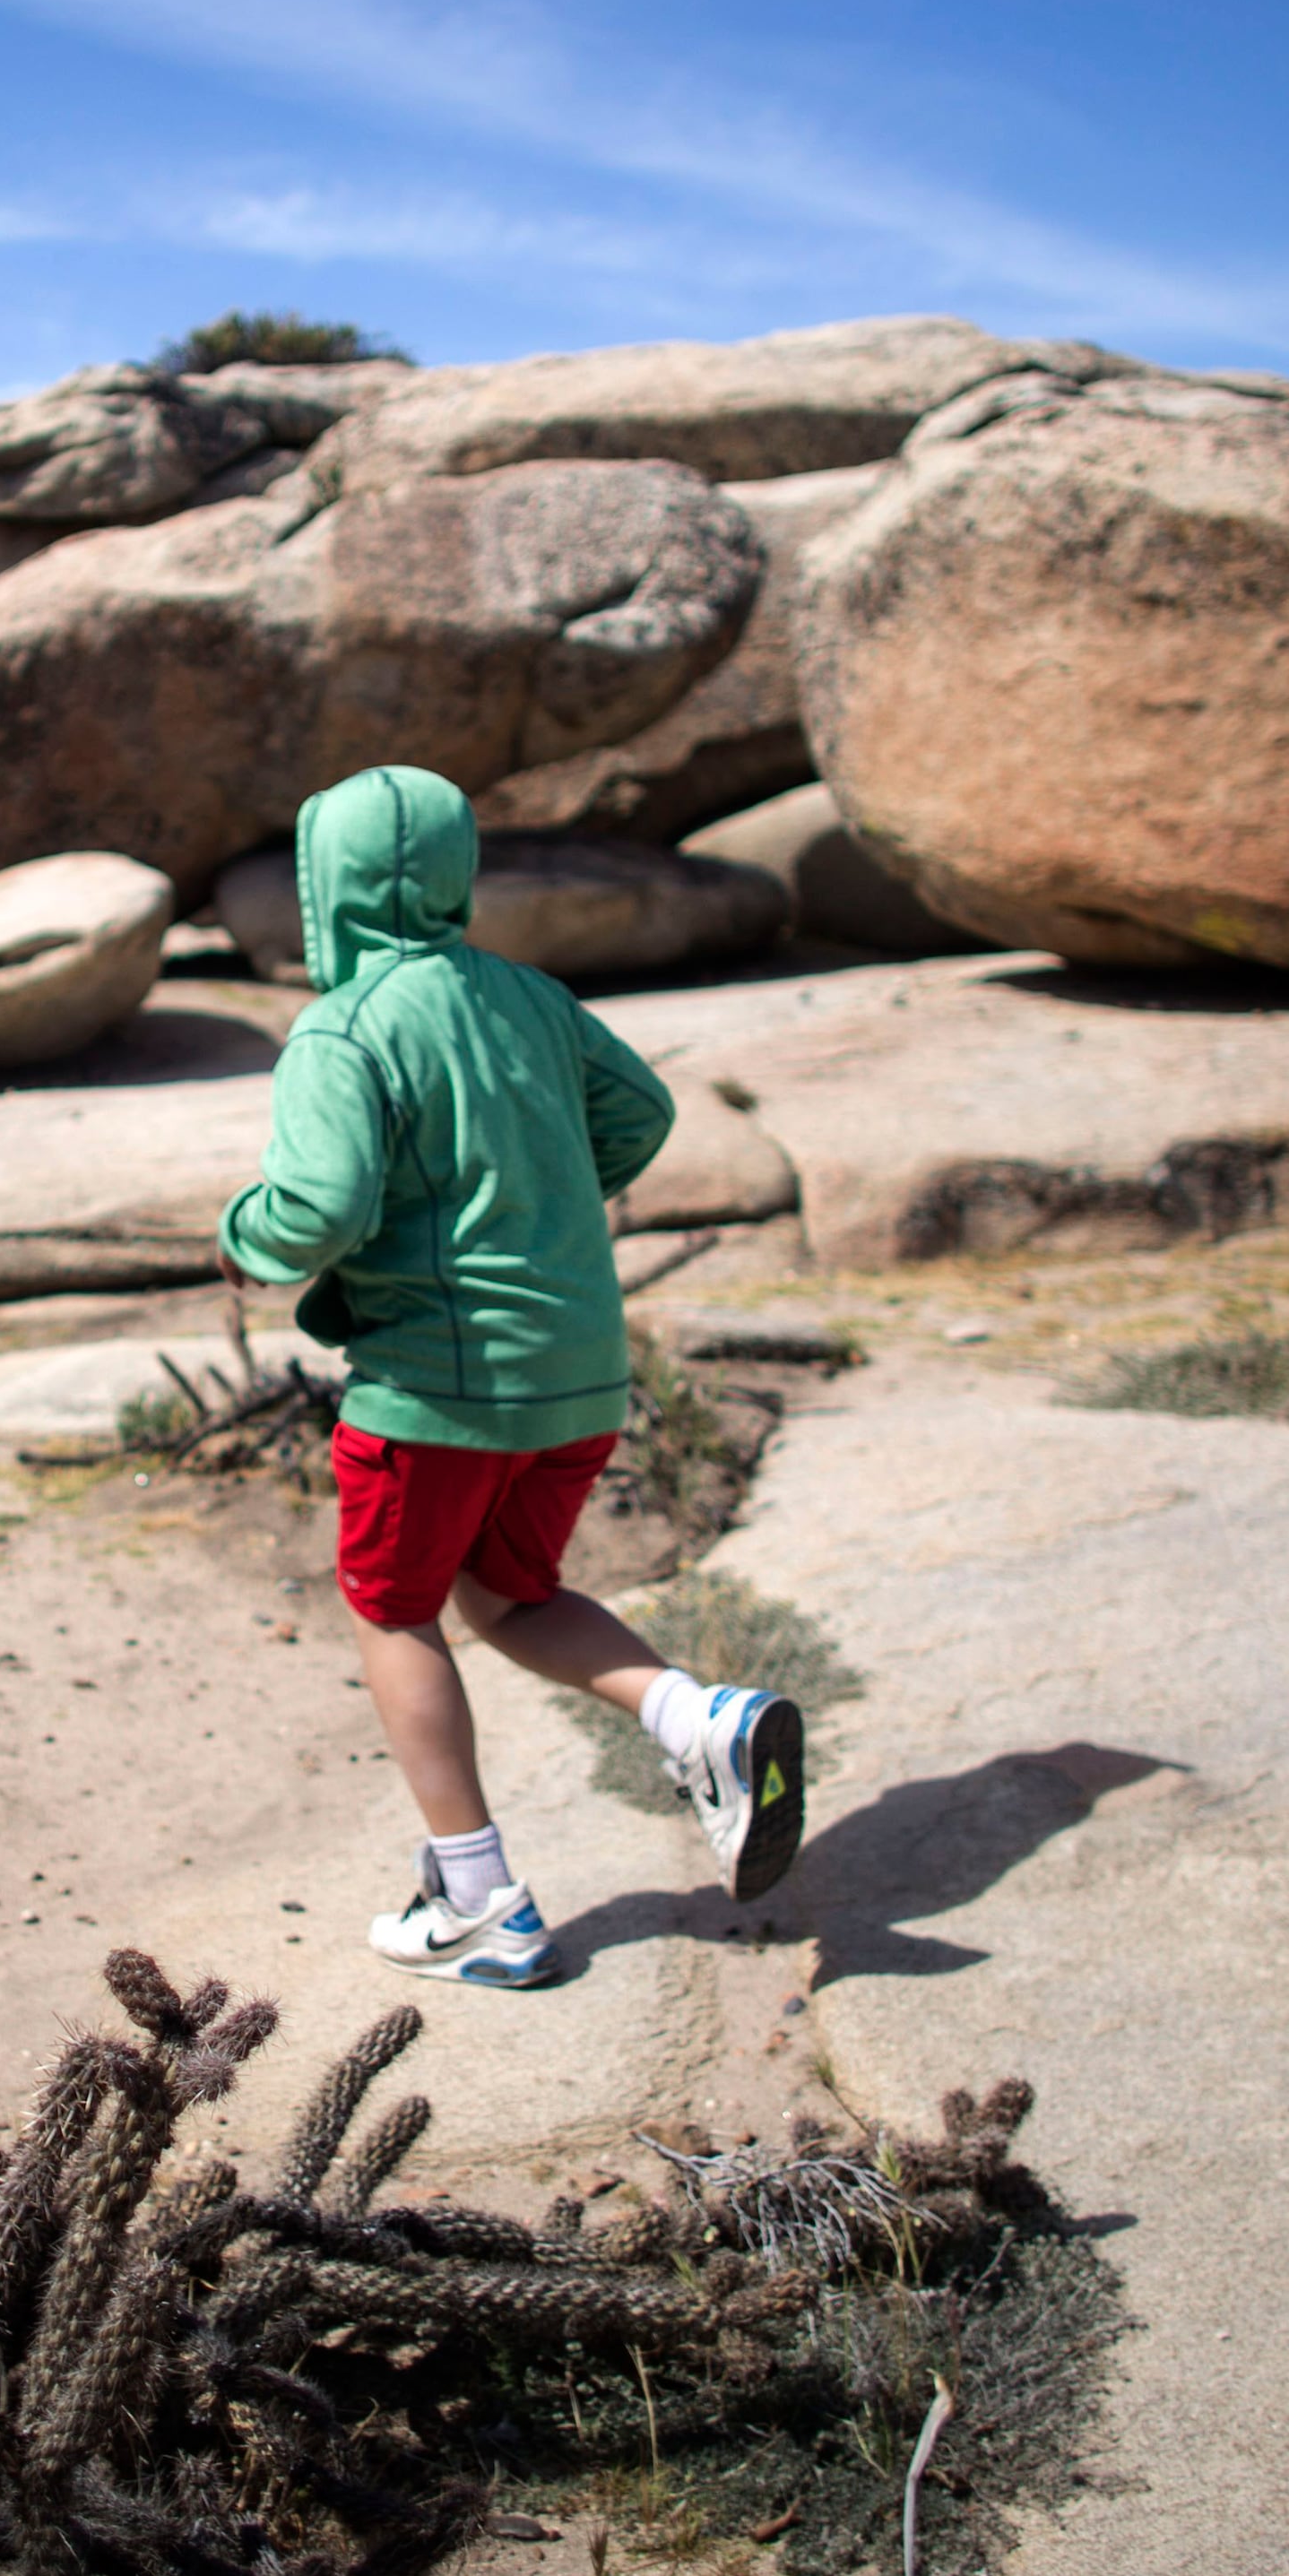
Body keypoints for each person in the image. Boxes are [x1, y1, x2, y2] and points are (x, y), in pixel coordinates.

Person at [220, 765, 805, 1991]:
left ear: (326, 887)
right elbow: (640, 1113)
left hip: (438, 1386)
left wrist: (246, 1233)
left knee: (394, 1611)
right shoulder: (532, 998)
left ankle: (480, 1899)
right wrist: (536, 1192)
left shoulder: (343, 1027)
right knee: (510, 1590)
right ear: (454, 875)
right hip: (580, 1373)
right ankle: (699, 1721)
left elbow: (318, 1205)